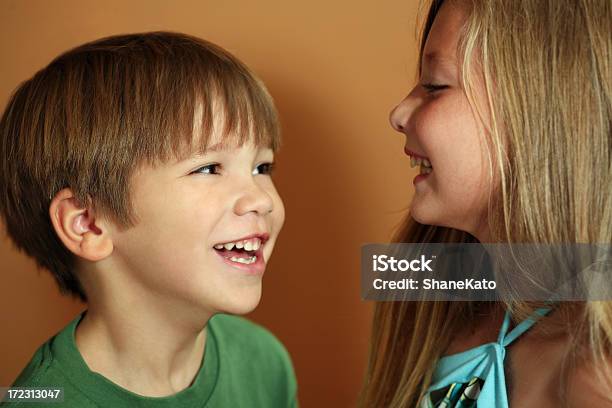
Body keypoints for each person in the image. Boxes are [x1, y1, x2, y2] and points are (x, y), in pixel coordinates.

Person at [0, 31, 297, 407]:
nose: (261, 200)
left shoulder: (262, 361)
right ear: (88, 223)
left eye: (262, 166)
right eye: (208, 168)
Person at [361, 0, 611, 406]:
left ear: (537, 111)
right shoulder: (431, 297)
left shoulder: (594, 378)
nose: (399, 113)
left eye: (434, 85)